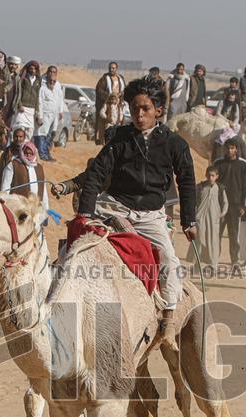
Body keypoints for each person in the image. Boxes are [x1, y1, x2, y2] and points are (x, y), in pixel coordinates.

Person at [76, 76, 197, 346]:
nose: (139, 115)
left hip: (151, 216)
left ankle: (167, 319)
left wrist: (189, 220)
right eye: (134, 109)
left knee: (167, 257)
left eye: (145, 109)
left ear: (159, 110)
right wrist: (84, 214)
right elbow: (95, 174)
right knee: (78, 250)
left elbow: (187, 181)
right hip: (115, 209)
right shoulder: (119, 139)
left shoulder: (174, 144)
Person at [212, 139, 246, 264]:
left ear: (236, 149)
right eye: (227, 148)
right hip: (219, 205)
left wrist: (244, 205)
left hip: (235, 205)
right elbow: (212, 183)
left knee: (234, 235)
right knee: (216, 233)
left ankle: (235, 260)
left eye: (232, 148)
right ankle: (214, 259)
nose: (229, 150)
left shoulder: (243, 164)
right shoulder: (218, 163)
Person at [191, 165, 228, 270]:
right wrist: (195, 214)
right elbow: (193, 201)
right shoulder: (200, 187)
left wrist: (222, 214)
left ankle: (213, 265)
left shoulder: (220, 188)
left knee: (213, 241)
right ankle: (197, 264)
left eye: (213, 176)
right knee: (199, 240)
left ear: (217, 176)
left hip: (214, 219)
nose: (211, 178)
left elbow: (225, 203)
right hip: (201, 218)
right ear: (206, 176)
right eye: (209, 175)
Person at [0, 140, 48, 209]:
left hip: (35, 208)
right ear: (22, 152)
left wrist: (46, 208)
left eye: (31, 154)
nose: (28, 156)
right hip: (18, 207)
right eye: (26, 153)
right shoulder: (13, 165)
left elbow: (44, 190)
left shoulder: (39, 168)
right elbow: (5, 187)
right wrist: (4, 203)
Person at [36, 65, 64, 162]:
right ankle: (42, 154)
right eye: (50, 72)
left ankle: (47, 153)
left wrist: (61, 111)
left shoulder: (57, 84)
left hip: (55, 114)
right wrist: (39, 116)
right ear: (47, 73)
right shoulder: (42, 84)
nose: (52, 74)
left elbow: (60, 99)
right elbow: (39, 102)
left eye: (54, 72)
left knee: (51, 134)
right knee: (42, 134)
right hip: (45, 114)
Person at [94, 62, 125, 145]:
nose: (111, 69)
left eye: (113, 68)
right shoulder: (104, 79)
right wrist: (110, 96)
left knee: (119, 124)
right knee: (105, 126)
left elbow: (124, 91)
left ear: (117, 69)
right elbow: (99, 90)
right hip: (108, 104)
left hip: (118, 105)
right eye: (110, 68)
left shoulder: (121, 79)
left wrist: (120, 96)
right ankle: (103, 141)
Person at [10, 60, 41, 135]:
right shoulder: (23, 78)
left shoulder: (38, 80)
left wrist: (37, 111)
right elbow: (18, 92)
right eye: (31, 68)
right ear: (28, 69)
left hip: (31, 109)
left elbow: (37, 97)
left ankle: (25, 146)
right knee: (19, 128)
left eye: (34, 69)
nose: (33, 70)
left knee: (29, 131)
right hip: (22, 108)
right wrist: (19, 104)